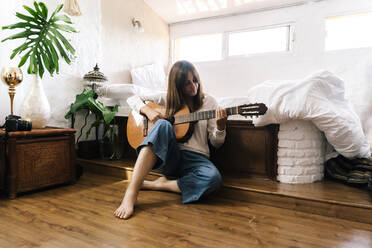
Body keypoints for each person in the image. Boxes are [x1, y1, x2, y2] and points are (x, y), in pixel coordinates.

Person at [114, 60, 228, 219]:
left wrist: (220, 128)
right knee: (162, 124)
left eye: (195, 80)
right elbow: (132, 98)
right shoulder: (168, 99)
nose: (194, 86)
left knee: (213, 179)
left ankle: (160, 185)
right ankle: (131, 192)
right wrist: (147, 111)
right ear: (177, 86)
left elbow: (216, 143)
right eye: (187, 83)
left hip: (196, 159)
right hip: (170, 155)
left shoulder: (209, 102)